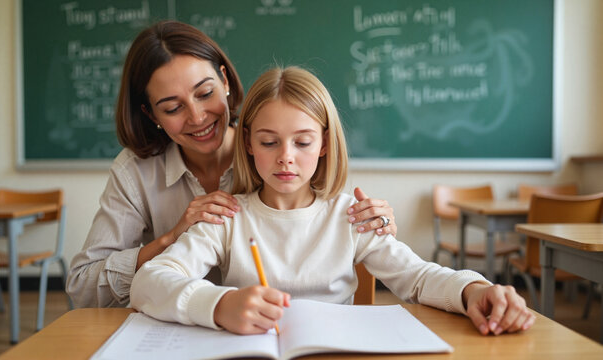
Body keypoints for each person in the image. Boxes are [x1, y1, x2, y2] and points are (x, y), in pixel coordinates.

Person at [130, 66, 535, 336]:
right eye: (269, 142)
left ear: (324, 144)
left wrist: (475, 291)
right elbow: (148, 283)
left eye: (302, 141)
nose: (286, 156)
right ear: (249, 143)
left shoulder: (349, 217)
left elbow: (420, 277)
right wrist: (219, 305)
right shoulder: (228, 217)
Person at [66, 21, 397, 308]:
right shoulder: (135, 172)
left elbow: (325, 222)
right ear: (151, 115)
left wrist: (379, 226)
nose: (197, 117)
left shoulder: (276, 152)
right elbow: (83, 288)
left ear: (224, 80)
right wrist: (170, 238)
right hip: (178, 323)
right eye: (172, 108)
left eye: (205, 92)